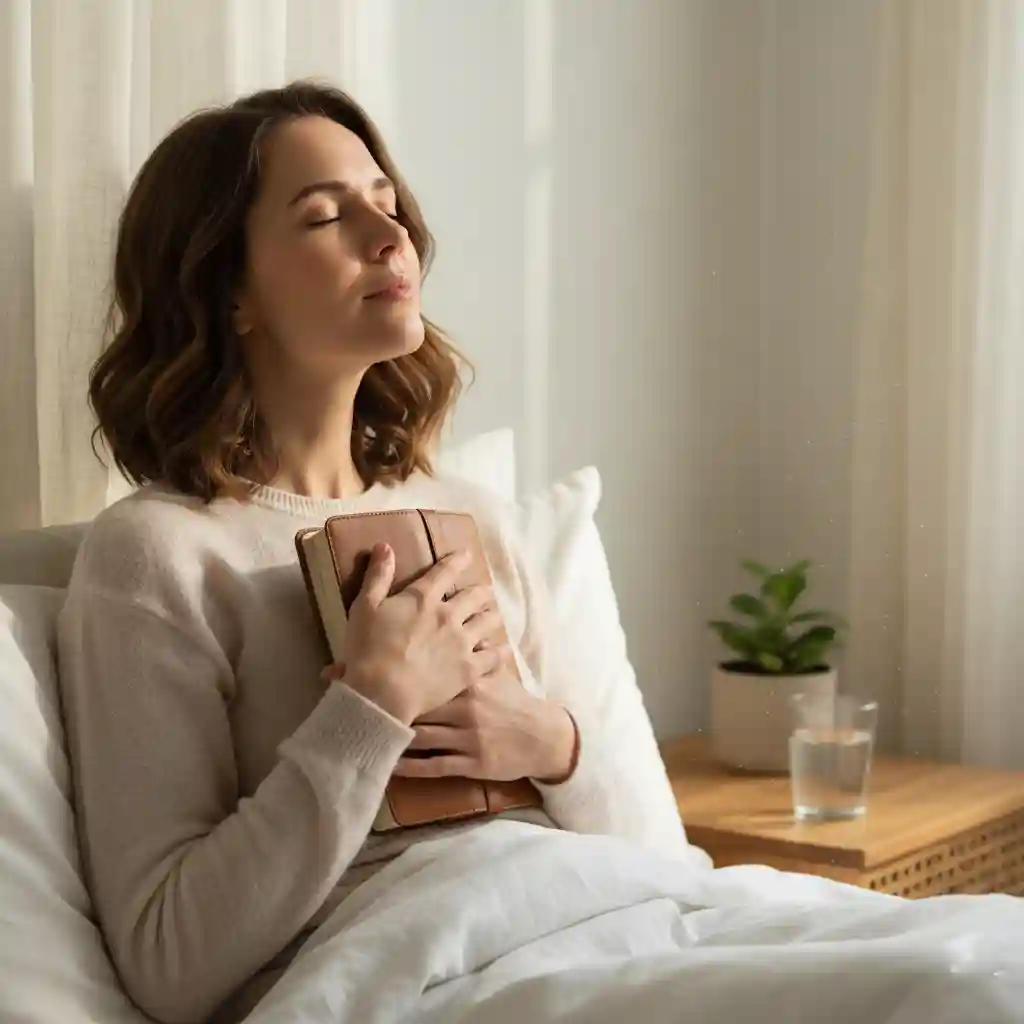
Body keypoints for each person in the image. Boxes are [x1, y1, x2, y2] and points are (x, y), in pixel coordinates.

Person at [56, 81, 689, 1024]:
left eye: (387, 204)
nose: (390, 237)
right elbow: (168, 960)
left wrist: (553, 745)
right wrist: (369, 707)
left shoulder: (474, 517)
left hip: (613, 928)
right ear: (229, 293)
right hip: (430, 979)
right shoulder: (160, 555)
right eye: (325, 216)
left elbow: (662, 870)